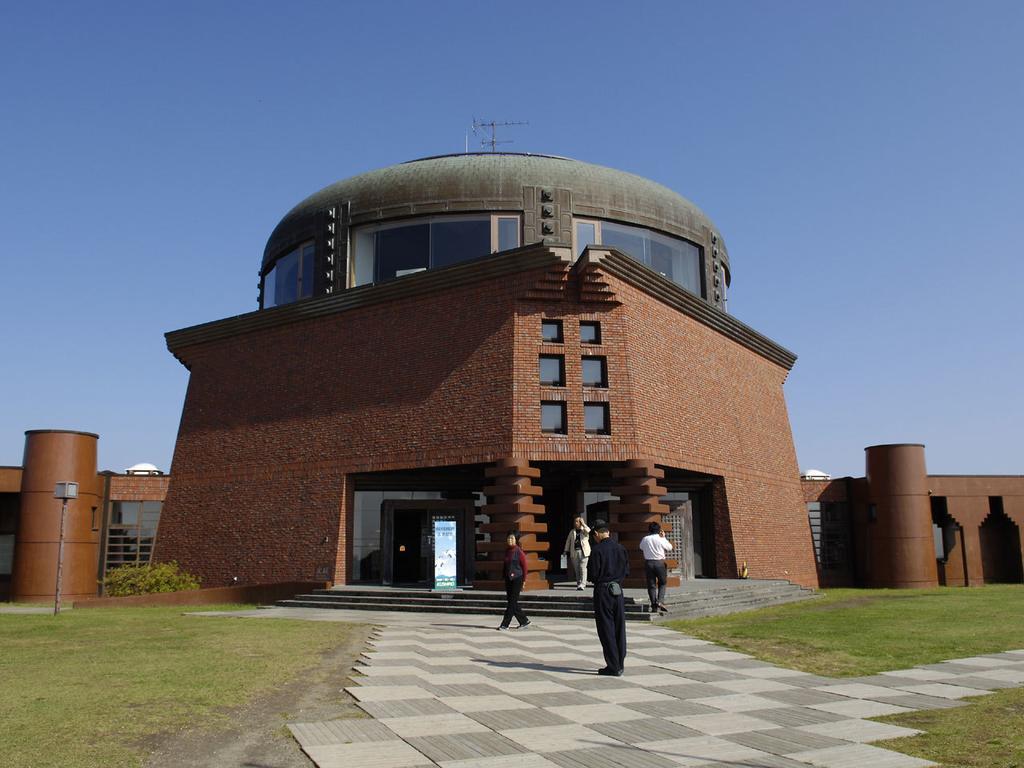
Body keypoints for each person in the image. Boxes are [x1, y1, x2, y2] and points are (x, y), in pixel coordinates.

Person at [587, 520, 629, 675]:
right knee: (619, 626)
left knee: (606, 628)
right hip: (617, 590)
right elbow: (626, 571)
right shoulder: (621, 548)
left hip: (603, 590)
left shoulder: (597, 550)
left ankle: (613, 665)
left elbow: (592, 574)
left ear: (596, 534)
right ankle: (620, 662)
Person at [498, 531, 531, 630]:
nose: (510, 540)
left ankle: (505, 624)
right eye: (508, 538)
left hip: (517, 578)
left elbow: (525, 567)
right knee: (512, 601)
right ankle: (524, 621)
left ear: (516, 540)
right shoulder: (507, 551)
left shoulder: (519, 551)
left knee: (511, 603)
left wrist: (524, 581)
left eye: (512, 538)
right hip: (509, 579)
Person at [639, 522, 673, 614]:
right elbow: (669, 547)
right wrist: (664, 537)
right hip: (659, 563)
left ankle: (654, 606)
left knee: (651, 585)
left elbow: (641, 547)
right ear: (659, 530)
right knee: (662, 583)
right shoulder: (660, 539)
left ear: (649, 530)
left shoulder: (645, 539)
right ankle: (660, 601)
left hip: (649, 563)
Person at [563, 516, 591, 590]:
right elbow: (568, 541)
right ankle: (579, 583)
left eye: (577, 521)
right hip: (574, 552)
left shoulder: (584, 530)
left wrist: (583, 524)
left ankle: (583, 584)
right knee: (577, 569)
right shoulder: (572, 532)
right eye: (575, 521)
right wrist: (565, 551)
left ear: (580, 522)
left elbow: (589, 531)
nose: (575, 523)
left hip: (584, 552)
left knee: (583, 568)